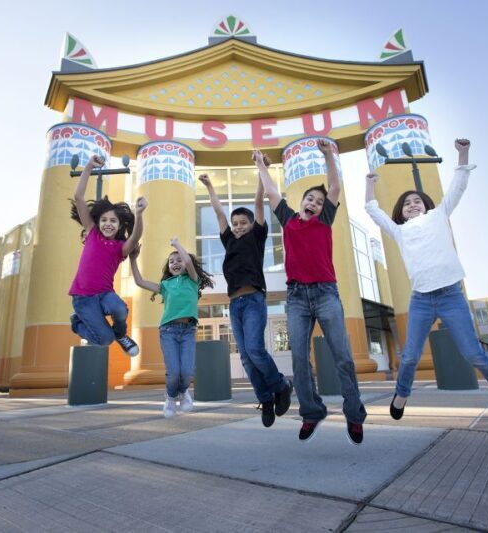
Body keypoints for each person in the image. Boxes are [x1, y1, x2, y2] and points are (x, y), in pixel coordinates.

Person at [364, 138, 488, 425]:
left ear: (426, 205)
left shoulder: (438, 215)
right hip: (421, 299)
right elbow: (372, 209)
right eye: (407, 204)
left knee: (474, 354)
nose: (412, 205)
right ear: (400, 213)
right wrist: (370, 184)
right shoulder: (399, 231)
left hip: (451, 296)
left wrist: (463, 154)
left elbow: (458, 187)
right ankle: (401, 394)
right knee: (409, 357)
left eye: (417, 201)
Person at [256, 140, 366, 445]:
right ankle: (312, 411)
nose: (314, 203)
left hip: (326, 294)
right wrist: (261, 165)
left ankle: (354, 414)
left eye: (318, 201)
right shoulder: (289, 220)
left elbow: (335, 187)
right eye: (310, 199)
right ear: (301, 201)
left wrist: (329, 155)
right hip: (296, 298)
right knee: (300, 360)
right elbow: (271, 191)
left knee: (342, 356)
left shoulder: (325, 219)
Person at [199, 168, 292, 428]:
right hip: (235, 304)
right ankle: (266, 399)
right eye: (236, 223)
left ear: (252, 225)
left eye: (243, 223)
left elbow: (258, 204)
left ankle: (281, 385)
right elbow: (219, 213)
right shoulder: (229, 240)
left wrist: (261, 175)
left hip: (253, 300)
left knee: (254, 349)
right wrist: (209, 186)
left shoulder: (257, 237)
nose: (239, 227)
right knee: (245, 357)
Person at [69, 154, 146, 356]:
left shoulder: (120, 248)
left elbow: (136, 236)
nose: (108, 224)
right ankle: (77, 323)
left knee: (120, 309)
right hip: (83, 298)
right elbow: (78, 197)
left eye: (113, 221)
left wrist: (139, 214)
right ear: (98, 222)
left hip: (105, 294)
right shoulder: (92, 232)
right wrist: (88, 166)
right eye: (104, 220)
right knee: (105, 340)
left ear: (119, 225)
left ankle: (121, 335)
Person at [129, 238, 214, 418]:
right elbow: (139, 281)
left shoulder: (193, 280)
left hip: (188, 331)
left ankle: (183, 392)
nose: (175, 263)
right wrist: (133, 259)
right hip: (168, 331)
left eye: (178, 260)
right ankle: (170, 396)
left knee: (187, 371)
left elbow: (189, 261)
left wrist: (176, 244)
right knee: (174, 372)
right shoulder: (165, 286)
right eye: (171, 261)